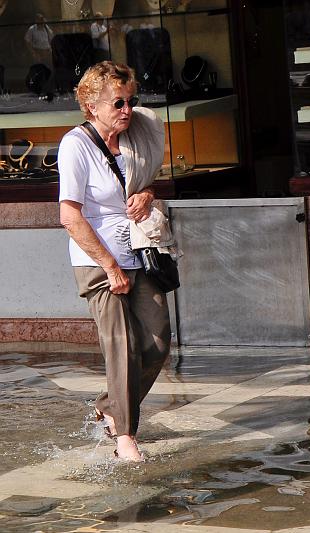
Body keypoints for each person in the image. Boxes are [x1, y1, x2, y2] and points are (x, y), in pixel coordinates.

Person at [59, 62, 169, 462]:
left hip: (140, 254)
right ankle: (125, 436)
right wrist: (109, 266)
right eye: (118, 103)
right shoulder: (76, 145)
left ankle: (110, 405)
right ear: (90, 104)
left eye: (131, 101)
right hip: (97, 261)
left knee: (157, 342)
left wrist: (148, 194)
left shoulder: (134, 138)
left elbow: (138, 184)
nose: (127, 110)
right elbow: (70, 216)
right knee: (122, 347)